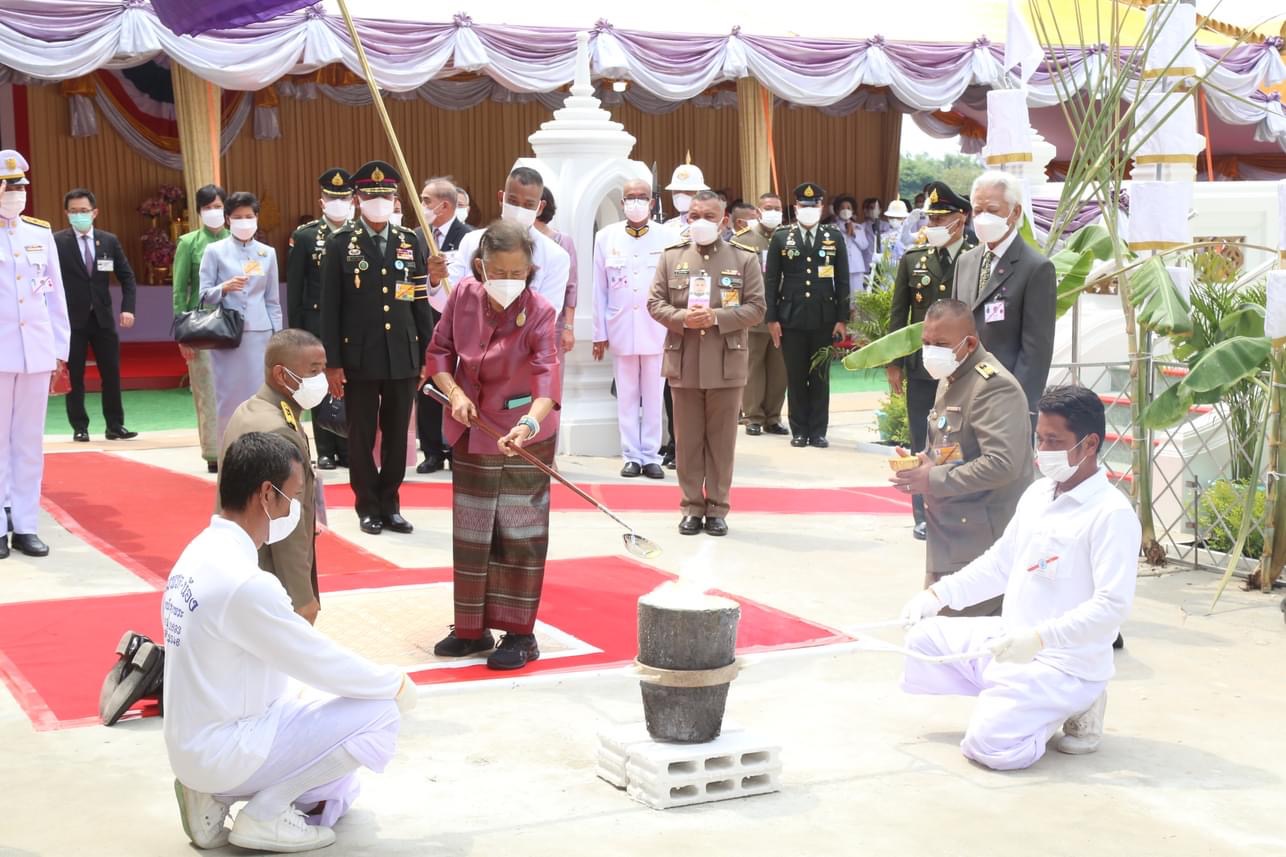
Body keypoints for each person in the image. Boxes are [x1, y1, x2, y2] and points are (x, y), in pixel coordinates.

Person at [162, 431, 415, 852]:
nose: (298, 508)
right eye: (294, 496)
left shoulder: (199, 552)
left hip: (196, 742)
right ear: (267, 495)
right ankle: (265, 815)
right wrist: (396, 685)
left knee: (336, 772)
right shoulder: (245, 584)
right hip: (223, 749)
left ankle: (212, 796)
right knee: (379, 715)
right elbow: (317, 659)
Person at [898, 385, 1140, 771]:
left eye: (1054, 441)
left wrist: (1041, 639)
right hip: (1011, 638)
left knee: (989, 748)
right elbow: (1000, 565)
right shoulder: (1039, 493)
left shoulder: (1111, 514)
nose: (1042, 450)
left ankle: (1072, 702)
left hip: (1062, 661)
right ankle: (1017, 698)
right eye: (1039, 438)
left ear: (1090, 444)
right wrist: (937, 595)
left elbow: (1111, 607)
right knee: (922, 640)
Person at [425, 220, 561, 670]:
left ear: (531, 270)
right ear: (482, 267)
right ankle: (472, 629)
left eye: (519, 274)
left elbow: (547, 380)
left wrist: (527, 424)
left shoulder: (540, 311)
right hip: (471, 426)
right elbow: (439, 352)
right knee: (473, 530)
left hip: (523, 433)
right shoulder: (463, 294)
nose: (509, 282)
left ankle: (521, 634)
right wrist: (456, 393)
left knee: (519, 532)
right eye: (500, 272)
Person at [889, 300, 1033, 616]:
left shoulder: (992, 387)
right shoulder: (953, 375)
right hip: (951, 535)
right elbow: (952, 444)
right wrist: (922, 464)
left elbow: (1002, 463)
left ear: (969, 343)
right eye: (926, 343)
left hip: (979, 543)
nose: (931, 352)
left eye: (940, 344)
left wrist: (933, 478)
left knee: (960, 639)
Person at [321, 160, 433, 536]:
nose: (379, 201)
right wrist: (333, 364)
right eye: (371, 195)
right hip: (360, 357)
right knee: (361, 435)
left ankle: (391, 503)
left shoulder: (409, 241)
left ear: (395, 198)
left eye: (385, 195)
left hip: (402, 353)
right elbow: (331, 309)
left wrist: (426, 355)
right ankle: (367, 505)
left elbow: (418, 300)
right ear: (358, 198)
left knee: (398, 434)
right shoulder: (340, 244)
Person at [648, 191, 765, 537]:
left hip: (726, 361)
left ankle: (717, 506)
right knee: (686, 441)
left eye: (709, 216)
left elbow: (757, 308)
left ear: (724, 221)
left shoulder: (743, 259)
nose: (700, 222)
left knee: (721, 440)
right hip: (683, 360)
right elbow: (654, 303)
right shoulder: (672, 257)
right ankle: (690, 507)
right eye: (694, 215)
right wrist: (684, 318)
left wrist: (716, 317)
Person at [218, 329, 329, 624]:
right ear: (281, 374)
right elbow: (284, 524)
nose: (321, 380)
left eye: (323, 369)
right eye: (313, 371)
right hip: (270, 577)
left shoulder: (254, 409)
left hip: (243, 565)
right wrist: (302, 597)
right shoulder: (277, 429)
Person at [887, 181, 976, 540]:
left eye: (944, 217)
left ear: (961, 219)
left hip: (963, 365)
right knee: (921, 438)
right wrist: (894, 362)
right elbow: (899, 315)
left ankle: (955, 508)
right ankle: (922, 514)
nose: (936, 223)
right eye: (932, 217)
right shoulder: (914, 258)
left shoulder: (977, 257)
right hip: (924, 366)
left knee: (958, 438)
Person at [0, 150, 70, 560]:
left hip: (35, 353)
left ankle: (26, 524)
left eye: (22, 186)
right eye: (11, 186)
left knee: (29, 442)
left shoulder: (39, 233)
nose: (18, 193)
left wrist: (58, 349)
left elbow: (54, 295)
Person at [952, 170, 1056, 419]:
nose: (982, 217)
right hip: (964, 396)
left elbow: (1035, 353)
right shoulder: (965, 262)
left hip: (1006, 400)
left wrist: (1017, 404)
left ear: (1015, 213)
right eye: (977, 211)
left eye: (992, 210)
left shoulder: (1035, 268)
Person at [592, 178, 670, 479]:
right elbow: (599, 288)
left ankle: (651, 455)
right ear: (622, 202)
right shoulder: (606, 237)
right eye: (629, 197)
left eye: (641, 197)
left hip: (656, 327)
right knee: (626, 395)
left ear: (651, 202)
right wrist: (600, 333)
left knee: (653, 394)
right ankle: (630, 455)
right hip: (620, 324)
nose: (635, 202)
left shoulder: (667, 236)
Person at [764, 182, 850, 449]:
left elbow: (843, 280)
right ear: (796, 207)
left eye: (814, 205)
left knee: (821, 375)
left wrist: (842, 318)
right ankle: (799, 430)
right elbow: (771, 281)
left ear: (821, 208)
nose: (809, 210)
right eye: (804, 206)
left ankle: (818, 431)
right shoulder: (781, 237)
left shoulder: (833, 236)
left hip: (824, 317)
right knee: (796, 375)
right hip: (791, 316)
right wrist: (772, 318)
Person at [199, 191, 282, 447]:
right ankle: (230, 450)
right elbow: (203, 296)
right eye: (238, 217)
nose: (244, 222)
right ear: (227, 220)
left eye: (249, 216)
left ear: (257, 218)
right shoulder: (214, 251)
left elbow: (273, 300)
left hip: (261, 333)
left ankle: (264, 448)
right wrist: (224, 287)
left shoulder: (267, 253)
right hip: (227, 335)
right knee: (229, 396)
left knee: (261, 395)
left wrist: (278, 338)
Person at [54, 187, 137, 442]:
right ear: (67, 214)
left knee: (111, 373)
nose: (80, 215)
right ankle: (80, 426)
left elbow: (127, 277)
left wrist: (127, 308)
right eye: (74, 211)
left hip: (102, 319)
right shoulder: (57, 242)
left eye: (84, 211)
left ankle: (115, 425)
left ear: (95, 212)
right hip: (72, 320)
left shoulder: (108, 240)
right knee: (75, 375)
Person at [286, 167, 354, 471]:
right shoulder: (306, 236)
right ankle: (325, 448)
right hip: (315, 323)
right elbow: (296, 287)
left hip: (352, 324)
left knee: (350, 383)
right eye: (331, 197)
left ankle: (349, 444)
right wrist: (297, 333)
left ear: (353, 200)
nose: (337, 202)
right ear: (321, 201)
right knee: (319, 384)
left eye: (343, 197)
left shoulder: (359, 233)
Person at [441, 167, 570, 318]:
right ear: (501, 198)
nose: (519, 209)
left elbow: (546, 315)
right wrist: (437, 281)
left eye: (528, 205)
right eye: (513, 202)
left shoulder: (555, 256)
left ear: (540, 207)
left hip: (522, 339)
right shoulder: (472, 241)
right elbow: (448, 300)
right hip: (472, 337)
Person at [413, 177, 472, 474]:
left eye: (426, 201)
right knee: (428, 386)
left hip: (461, 325)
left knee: (460, 384)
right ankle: (432, 450)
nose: (421, 206)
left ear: (444, 205)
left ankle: (457, 446)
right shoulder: (415, 236)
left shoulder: (469, 237)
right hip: (425, 322)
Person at [172, 184, 229, 473]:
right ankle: (212, 452)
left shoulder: (238, 240)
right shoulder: (189, 243)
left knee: (235, 389)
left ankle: (237, 447)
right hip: (202, 326)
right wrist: (183, 333)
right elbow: (180, 291)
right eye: (208, 207)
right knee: (206, 390)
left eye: (218, 206)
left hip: (234, 325)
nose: (214, 212)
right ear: (199, 212)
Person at [733, 192, 789, 437]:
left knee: (779, 369)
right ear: (758, 211)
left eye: (777, 208)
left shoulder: (788, 238)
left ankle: (773, 416)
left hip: (784, 312)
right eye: (768, 207)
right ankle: (752, 416)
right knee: (753, 366)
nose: (773, 212)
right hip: (754, 312)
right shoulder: (743, 240)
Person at [534, 186, 578, 359]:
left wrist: (568, 327)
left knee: (550, 379)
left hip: (554, 323)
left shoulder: (562, 241)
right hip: (517, 322)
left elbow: (571, 287)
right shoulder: (515, 239)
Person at [833, 194, 872, 297]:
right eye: (842, 208)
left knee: (857, 296)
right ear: (837, 210)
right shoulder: (833, 228)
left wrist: (854, 234)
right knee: (841, 295)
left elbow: (864, 246)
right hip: (839, 266)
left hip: (856, 266)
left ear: (853, 211)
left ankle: (856, 313)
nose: (845, 210)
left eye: (848, 208)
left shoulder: (858, 227)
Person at [663, 158, 709, 231]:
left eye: (687, 191)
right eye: (677, 191)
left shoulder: (709, 226)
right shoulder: (668, 226)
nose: (681, 195)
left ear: (700, 193)